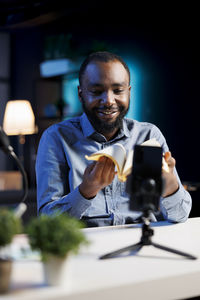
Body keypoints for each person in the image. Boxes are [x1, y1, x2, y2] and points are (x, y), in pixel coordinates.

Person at [36, 51, 192, 227]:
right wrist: (86, 190)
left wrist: (170, 187)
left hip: (142, 242)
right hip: (86, 248)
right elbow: (47, 221)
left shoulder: (149, 135)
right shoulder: (56, 138)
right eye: (96, 91)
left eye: (118, 90)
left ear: (129, 92)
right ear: (80, 94)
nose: (109, 100)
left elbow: (180, 215)